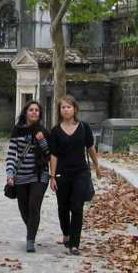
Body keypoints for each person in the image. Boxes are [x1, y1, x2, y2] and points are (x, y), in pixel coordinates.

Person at [49, 94, 100, 255]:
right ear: (59, 110)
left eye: (68, 107)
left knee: (77, 207)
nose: (66, 110)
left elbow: (90, 147)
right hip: (62, 174)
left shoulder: (84, 127)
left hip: (81, 172)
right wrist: (52, 176)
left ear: (75, 109)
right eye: (63, 107)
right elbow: (54, 155)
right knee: (63, 207)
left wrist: (97, 165)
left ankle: (75, 243)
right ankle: (66, 233)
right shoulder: (55, 131)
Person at [5, 100, 50, 253]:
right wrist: (10, 174)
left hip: (39, 174)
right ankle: (32, 228)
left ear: (40, 114)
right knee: (24, 208)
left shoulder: (44, 131)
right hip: (21, 176)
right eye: (31, 110)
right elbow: (11, 154)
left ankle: (30, 240)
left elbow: (50, 155)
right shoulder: (17, 131)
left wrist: (42, 141)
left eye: (37, 110)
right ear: (26, 112)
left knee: (34, 206)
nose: (34, 112)